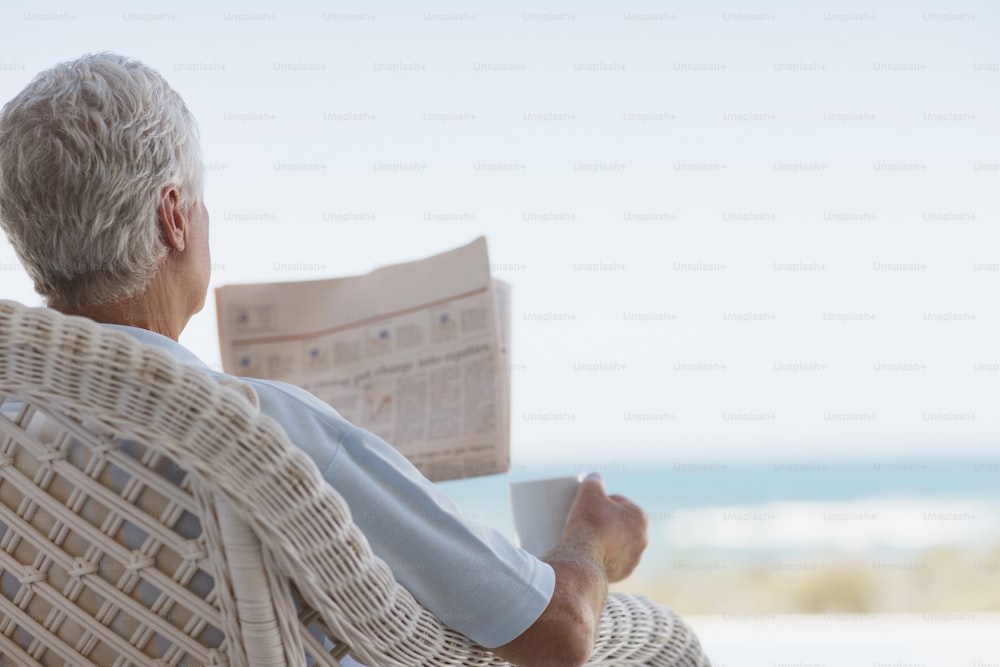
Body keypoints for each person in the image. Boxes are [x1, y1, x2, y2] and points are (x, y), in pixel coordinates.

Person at [0, 54, 677, 667]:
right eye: (200, 202)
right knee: (668, 641)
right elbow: (554, 633)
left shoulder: (13, 431)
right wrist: (592, 545)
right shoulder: (259, 430)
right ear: (174, 217)